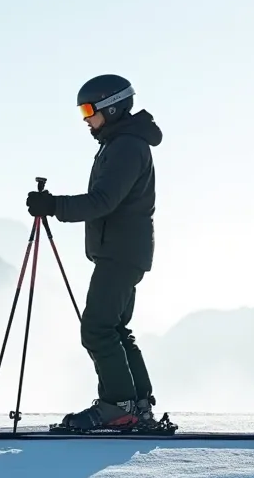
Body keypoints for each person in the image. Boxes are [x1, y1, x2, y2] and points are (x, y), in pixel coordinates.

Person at [25, 73, 163, 431]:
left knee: (97, 329)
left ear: (111, 108)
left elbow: (103, 201)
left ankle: (117, 407)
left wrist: (53, 205)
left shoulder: (126, 147)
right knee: (115, 328)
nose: (85, 118)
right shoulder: (120, 143)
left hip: (120, 252)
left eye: (89, 109)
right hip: (124, 251)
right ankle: (138, 404)